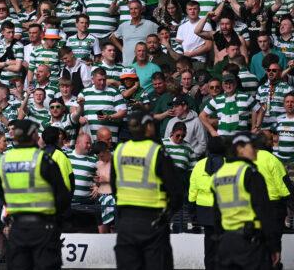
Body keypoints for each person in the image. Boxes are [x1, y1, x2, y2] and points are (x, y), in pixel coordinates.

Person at [0, 119, 71, 270]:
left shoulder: (4, 161)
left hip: (17, 228)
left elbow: (2, 194)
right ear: (33, 136)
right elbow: (62, 195)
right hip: (43, 228)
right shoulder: (42, 159)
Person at [111, 112, 182, 270]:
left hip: (126, 221)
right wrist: (168, 213)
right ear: (148, 127)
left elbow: (114, 186)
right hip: (153, 221)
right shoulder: (156, 151)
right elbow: (176, 190)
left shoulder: (120, 151)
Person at [211, 133, 281, 270]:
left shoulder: (218, 176)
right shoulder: (251, 173)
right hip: (251, 245)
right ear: (240, 149)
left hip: (226, 243)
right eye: (253, 146)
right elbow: (264, 212)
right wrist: (274, 246)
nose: (257, 150)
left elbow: (216, 216)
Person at [189, 137, 227, 270]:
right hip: (225, 210)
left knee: (209, 243)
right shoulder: (230, 164)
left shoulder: (199, 165)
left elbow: (193, 190)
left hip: (205, 210)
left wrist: (192, 211)